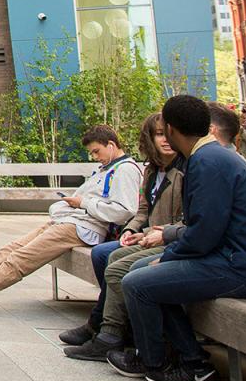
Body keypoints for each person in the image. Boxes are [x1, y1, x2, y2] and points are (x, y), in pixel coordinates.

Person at [107, 95, 246, 381]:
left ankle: (162, 364)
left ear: (170, 129)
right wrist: (169, 246)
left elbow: (204, 233)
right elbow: (203, 227)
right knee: (141, 270)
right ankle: (193, 362)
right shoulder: (209, 156)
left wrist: (168, 257)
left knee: (139, 282)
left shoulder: (208, 162)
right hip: (235, 258)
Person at [0, 125, 141, 308]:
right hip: (68, 221)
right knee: (10, 249)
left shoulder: (125, 170)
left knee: (21, 259)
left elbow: (125, 210)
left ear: (111, 145)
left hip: (84, 229)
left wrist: (82, 203)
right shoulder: (105, 169)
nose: (95, 157)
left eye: (96, 151)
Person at [61, 113, 185, 360]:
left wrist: (149, 233)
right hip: (150, 235)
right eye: (159, 134)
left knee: (116, 262)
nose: (166, 139)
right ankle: (106, 325)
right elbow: (141, 211)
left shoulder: (184, 170)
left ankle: (108, 331)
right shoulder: (152, 171)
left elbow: (184, 221)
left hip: (169, 239)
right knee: (101, 254)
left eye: (169, 133)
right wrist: (131, 229)